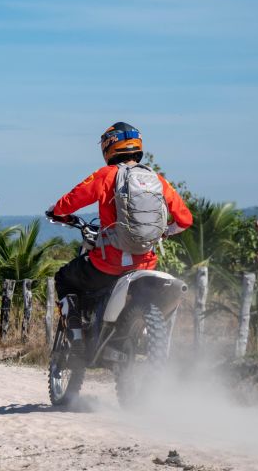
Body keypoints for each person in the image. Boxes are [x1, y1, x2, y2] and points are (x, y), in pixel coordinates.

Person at [46, 122, 193, 350]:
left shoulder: (106, 175)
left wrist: (56, 212)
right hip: (145, 264)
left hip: (108, 265)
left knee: (64, 277)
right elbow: (185, 220)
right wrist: (164, 233)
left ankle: (75, 336)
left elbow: (71, 200)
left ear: (109, 146)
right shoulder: (157, 180)